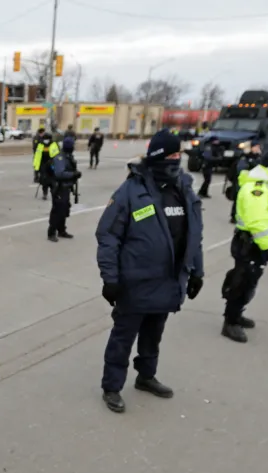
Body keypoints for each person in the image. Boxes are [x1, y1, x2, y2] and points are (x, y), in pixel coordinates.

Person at [95, 130, 205, 413]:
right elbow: (108, 236)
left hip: (169, 281)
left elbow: (194, 234)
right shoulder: (132, 191)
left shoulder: (184, 188)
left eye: (178, 154)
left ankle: (146, 376)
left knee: (153, 335)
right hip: (135, 283)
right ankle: (112, 386)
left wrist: (197, 271)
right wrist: (111, 279)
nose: (176, 159)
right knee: (123, 337)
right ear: (157, 157)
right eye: (170, 155)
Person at [221, 148, 268, 343]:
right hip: (252, 243)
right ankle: (230, 321)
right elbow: (257, 222)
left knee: (250, 280)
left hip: (261, 241)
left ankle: (237, 313)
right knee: (242, 281)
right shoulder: (258, 188)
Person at [43, 137, 81, 242]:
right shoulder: (60, 158)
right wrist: (73, 174)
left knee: (64, 209)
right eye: (73, 145)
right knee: (57, 210)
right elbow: (59, 174)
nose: (74, 147)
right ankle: (51, 233)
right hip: (59, 188)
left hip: (65, 187)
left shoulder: (67, 156)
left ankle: (61, 230)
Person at [226, 141, 261, 224]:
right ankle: (234, 216)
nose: (258, 149)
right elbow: (241, 169)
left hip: (250, 183)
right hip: (241, 182)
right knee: (238, 199)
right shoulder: (245, 158)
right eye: (257, 147)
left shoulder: (257, 157)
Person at [33, 132, 60, 200]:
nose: (46, 140)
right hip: (43, 166)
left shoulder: (53, 145)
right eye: (45, 139)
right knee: (44, 180)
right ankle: (45, 193)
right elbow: (37, 157)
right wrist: (36, 169)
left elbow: (57, 156)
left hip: (51, 165)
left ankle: (55, 193)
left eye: (47, 139)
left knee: (53, 180)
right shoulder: (40, 145)